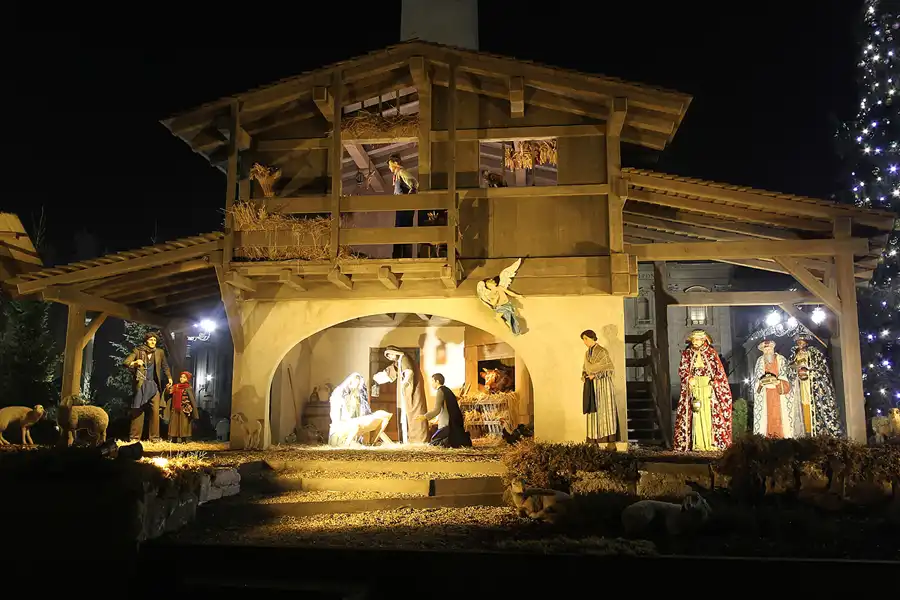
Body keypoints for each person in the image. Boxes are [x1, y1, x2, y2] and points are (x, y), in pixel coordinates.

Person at [124, 331, 172, 443]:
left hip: (153, 385)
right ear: (146, 340)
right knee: (138, 410)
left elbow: (165, 366)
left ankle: (154, 438)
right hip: (141, 384)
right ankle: (134, 438)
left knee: (155, 412)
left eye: (154, 340)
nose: (153, 342)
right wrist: (135, 363)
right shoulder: (138, 351)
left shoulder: (159, 352)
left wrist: (169, 377)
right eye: (151, 340)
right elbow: (126, 362)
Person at [416, 373, 471, 448]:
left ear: (437, 381)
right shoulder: (447, 390)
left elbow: (437, 410)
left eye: (432, 381)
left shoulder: (440, 391)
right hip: (453, 423)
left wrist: (424, 416)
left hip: (446, 425)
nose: (431, 383)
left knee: (434, 442)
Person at [580, 330, 617, 443]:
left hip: (603, 386)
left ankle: (608, 441)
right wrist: (584, 375)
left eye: (586, 338)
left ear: (592, 338)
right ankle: (593, 441)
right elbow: (585, 368)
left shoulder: (602, 352)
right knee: (592, 412)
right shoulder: (587, 353)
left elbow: (610, 370)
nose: (584, 341)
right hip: (591, 386)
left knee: (604, 411)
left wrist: (596, 375)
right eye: (583, 339)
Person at [328, 372, 372, 446]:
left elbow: (359, 408)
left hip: (352, 419)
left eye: (358, 384)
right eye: (355, 383)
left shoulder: (356, 393)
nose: (356, 386)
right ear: (350, 381)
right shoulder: (339, 392)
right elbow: (336, 411)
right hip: (342, 420)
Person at [388, 154, 419, 258]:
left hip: (404, 208)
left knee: (403, 230)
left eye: (390, 164)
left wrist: (408, 200)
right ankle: (398, 255)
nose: (389, 167)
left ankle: (404, 256)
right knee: (400, 230)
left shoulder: (401, 172)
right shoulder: (397, 175)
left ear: (395, 163)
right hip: (401, 207)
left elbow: (414, 183)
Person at [167, 371, 196, 443]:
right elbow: (169, 392)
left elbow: (191, 399)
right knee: (174, 424)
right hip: (175, 408)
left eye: (184, 377)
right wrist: (168, 388)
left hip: (184, 409)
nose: (181, 378)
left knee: (184, 425)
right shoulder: (176, 386)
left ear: (187, 379)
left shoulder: (189, 388)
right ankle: (174, 439)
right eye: (181, 377)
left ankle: (184, 440)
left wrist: (188, 406)